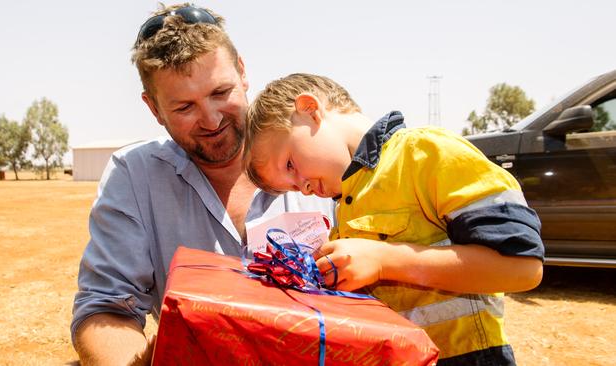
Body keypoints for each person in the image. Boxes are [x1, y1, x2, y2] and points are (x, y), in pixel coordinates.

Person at [70, 6, 333, 365]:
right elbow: (105, 309)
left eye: (220, 92)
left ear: (242, 72)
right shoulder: (134, 176)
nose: (211, 119)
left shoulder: (319, 149)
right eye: (184, 108)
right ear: (154, 109)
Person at [243, 73, 545, 365]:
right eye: (294, 186)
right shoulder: (347, 203)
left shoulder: (426, 153)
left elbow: (522, 267)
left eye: (291, 164)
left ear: (310, 109)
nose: (304, 187)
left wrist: (383, 261)